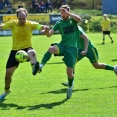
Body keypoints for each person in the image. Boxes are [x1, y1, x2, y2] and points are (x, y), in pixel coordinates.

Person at [0, 8, 48, 100]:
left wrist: (45, 28)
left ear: (26, 17)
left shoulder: (30, 24)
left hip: (27, 49)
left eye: (24, 18)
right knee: (7, 75)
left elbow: (40, 26)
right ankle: (7, 90)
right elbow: (2, 27)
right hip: (15, 51)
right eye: (20, 19)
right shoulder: (13, 23)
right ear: (17, 17)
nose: (22, 20)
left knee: (32, 52)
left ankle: (34, 67)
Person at [39, 5, 81, 99]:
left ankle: (70, 86)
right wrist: (46, 31)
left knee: (69, 74)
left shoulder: (73, 20)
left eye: (64, 13)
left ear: (68, 12)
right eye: (61, 13)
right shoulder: (59, 23)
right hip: (63, 46)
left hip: (72, 49)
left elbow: (79, 19)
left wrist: (68, 13)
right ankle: (41, 66)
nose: (62, 15)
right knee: (51, 49)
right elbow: (49, 34)